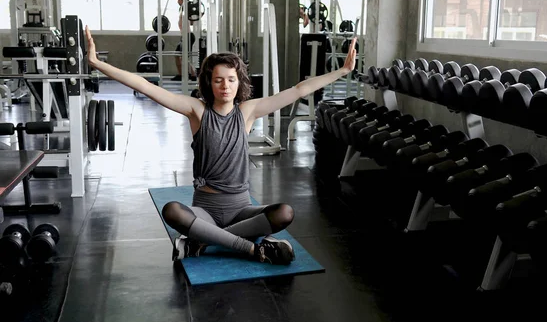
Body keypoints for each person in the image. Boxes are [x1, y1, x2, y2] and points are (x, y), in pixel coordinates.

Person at [85, 25, 357, 265]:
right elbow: (147, 87)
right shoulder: (197, 111)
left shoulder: (248, 111)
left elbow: (298, 90)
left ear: (239, 83)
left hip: (242, 209)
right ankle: (250, 249)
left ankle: (202, 241)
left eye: (231, 80)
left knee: (285, 212)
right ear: (209, 83)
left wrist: (342, 71)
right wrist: (98, 64)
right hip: (205, 209)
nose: (225, 86)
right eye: (218, 80)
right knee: (172, 211)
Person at [173, 0, 197, 81]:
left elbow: (192, 22)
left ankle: (193, 74)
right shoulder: (182, 9)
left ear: (182, 0)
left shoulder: (186, 10)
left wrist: (198, 14)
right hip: (184, 36)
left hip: (188, 36)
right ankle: (181, 74)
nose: (177, 1)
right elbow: (190, 22)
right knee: (177, 55)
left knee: (183, 56)